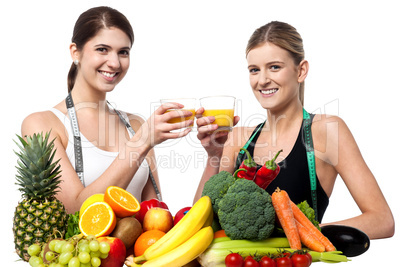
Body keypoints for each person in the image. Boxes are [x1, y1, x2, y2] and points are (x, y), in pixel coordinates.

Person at [194, 21, 394, 239]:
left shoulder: (326, 132)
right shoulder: (237, 138)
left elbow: (382, 220)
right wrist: (214, 156)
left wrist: (306, 234)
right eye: (254, 70)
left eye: (275, 67)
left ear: (301, 71)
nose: (262, 80)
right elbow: (197, 224)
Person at [21, 6, 194, 214]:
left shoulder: (136, 124)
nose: (114, 63)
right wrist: (140, 143)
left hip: (136, 247)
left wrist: (214, 153)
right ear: (75, 52)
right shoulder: (42, 124)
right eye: (102, 49)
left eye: (123, 52)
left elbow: (156, 216)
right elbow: (77, 211)